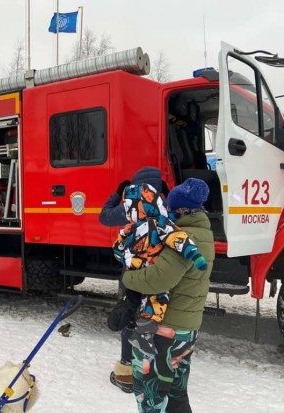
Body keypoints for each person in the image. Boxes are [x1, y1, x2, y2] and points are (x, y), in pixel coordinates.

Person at [122, 178, 214, 413]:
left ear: (181, 210)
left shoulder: (183, 236)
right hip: (186, 329)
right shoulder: (204, 234)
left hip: (164, 330)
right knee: (175, 394)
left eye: (172, 209)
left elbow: (159, 279)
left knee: (150, 396)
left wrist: (127, 278)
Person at [112, 183, 207, 357]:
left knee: (152, 302)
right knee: (148, 301)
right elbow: (120, 243)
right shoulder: (136, 226)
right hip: (139, 270)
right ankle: (137, 333)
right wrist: (119, 252)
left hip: (140, 272)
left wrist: (195, 256)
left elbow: (178, 240)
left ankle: (141, 338)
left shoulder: (160, 224)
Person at [100, 166, 164, 393]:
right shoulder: (166, 206)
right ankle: (153, 373)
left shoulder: (130, 206)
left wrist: (117, 194)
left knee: (129, 317)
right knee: (153, 319)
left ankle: (127, 373)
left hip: (132, 274)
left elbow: (104, 216)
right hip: (158, 275)